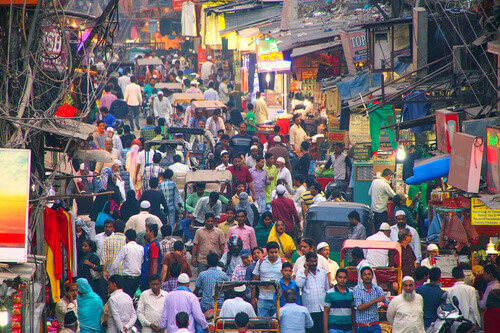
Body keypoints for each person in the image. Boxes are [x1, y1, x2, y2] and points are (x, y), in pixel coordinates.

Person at [295, 252, 329, 333]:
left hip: (321, 309)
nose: (314, 263)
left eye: (315, 261)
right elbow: (299, 284)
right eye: (311, 261)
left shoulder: (323, 273)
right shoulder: (301, 272)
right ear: (306, 262)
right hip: (309, 310)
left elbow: (327, 290)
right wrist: (306, 271)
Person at [252, 241, 284, 317]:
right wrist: (253, 298)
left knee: (277, 324)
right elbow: (254, 280)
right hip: (263, 298)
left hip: (278, 299)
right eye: (271, 252)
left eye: (276, 252)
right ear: (267, 252)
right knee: (263, 324)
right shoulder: (260, 262)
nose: (274, 255)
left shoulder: (283, 262)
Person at [353, 266, 390, 332]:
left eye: (369, 274)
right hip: (362, 326)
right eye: (365, 274)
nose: (367, 276)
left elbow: (387, 302)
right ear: (361, 277)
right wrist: (376, 300)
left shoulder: (377, 289)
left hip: (375, 325)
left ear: (372, 276)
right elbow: (360, 307)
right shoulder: (357, 289)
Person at [110, 229, 144, 298]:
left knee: (127, 297)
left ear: (126, 238)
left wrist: (111, 275)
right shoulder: (141, 248)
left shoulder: (125, 248)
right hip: (137, 278)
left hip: (127, 279)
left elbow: (116, 263)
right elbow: (142, 262)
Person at [323, 268, 354, 333]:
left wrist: (354, 327)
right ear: (336, 278)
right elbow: (326, 312)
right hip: (334, 327)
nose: (342, 279)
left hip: (348, 328)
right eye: (340, 277)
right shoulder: (329, 293)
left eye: (344, 277)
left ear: (347, 279)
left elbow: (353, 311)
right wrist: (325, 329)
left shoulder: (351, 293)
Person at [141, 223, 164, 290]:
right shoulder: (153, 244)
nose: (146, 233)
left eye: (147, 231)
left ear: (152, 232)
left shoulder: (153, 245)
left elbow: (155, 263)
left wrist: (153, 279)